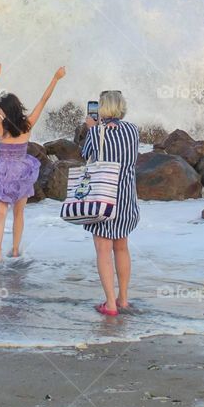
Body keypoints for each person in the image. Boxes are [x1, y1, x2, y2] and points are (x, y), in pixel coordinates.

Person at [0, 63, 66, 261]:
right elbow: (44, 100)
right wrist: (55, 78)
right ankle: (14, 251)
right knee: (19, 213)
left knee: (1, 212)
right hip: (22, 170)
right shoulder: (28, 124)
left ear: (4, 110)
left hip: (4, 170)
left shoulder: (0, 127)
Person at [80, 89, 140, 316]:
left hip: (104, 198)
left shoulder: (96, 133)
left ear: (103, 109)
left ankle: (110, 304)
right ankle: (123, 299)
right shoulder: (134, 130)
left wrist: (91, 129)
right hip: (126, 198)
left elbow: (86, 155)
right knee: (122, 247)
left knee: (103, 250)